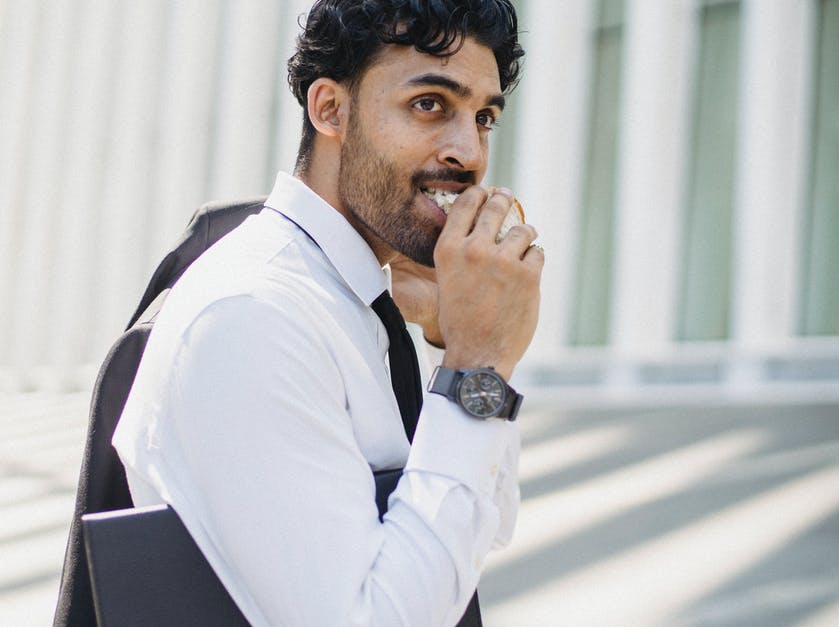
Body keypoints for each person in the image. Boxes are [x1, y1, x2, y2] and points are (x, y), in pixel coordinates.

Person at [111, 0, 543, 624]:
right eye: (430, 105)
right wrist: (479, 364)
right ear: (330, 109)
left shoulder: (360, 301)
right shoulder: (256, 317)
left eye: (482, 118)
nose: (468, 152)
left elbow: (480, 532)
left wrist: (458, 354)